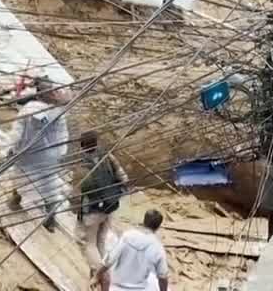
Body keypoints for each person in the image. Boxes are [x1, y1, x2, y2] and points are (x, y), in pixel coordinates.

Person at [9, 75, 69, 232]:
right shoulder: (57, 112)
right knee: (49, 185)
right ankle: (50, 218)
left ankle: (16, 200)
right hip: (47, 155)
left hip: (28, 153)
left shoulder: (29, 109)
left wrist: (12, 149)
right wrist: (60, 153)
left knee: (22, 177)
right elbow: (63, 135)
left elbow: (17, 132)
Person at [75, 131, 128, 273]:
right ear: (96, 142)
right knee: (100, 241)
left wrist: (76, 208)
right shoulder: (107, 156)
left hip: (92, 211)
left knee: (86, 242)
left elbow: (78, 192)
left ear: (82, 145)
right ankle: (103, 272)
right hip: (110, 207)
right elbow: (123, 178)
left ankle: (100, 273)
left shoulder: (81, 164)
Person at [96, 209, 169, 291]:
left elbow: (108, 261)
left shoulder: (127, 235)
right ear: (158, 227)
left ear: (144, 221)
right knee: (156, 281)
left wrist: (97, 276)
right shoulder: (157, 246)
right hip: (139, 288)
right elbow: (163, 277)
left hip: (116, 286)